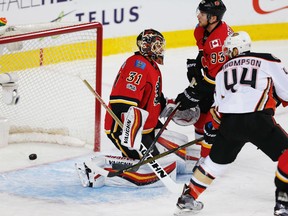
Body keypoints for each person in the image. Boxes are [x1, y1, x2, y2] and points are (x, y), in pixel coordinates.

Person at [174, 31, 288, 216]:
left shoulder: (221, 71)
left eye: (228, 50)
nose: (226, 54)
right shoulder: (268, 59)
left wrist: (214, 128)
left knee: (213, 164)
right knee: (286, 155)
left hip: (230, 123)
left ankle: (189, 197)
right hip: (258, 120)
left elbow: (218, 106)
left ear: (236, 50)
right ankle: (283, 202)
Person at [174, 0, 233, 160]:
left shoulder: (219, 43)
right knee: (200, 115)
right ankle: (201, 149)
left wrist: (191, 93)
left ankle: (209, 158)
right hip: (214, 75)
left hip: (227, 85)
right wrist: (198, 62)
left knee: (210, 121)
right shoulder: (202, 29)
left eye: (202, 13)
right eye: (198, 11)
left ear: (213, 18)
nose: (198, 16)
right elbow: (203, 51)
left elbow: (213, 80)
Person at [103, 28, 167, 159]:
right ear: (146, 46)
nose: (160, 49)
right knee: (150, 161)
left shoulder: (151, 66)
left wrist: (166, 105)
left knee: (165, 152)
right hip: (125, 127)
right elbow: (123, 100)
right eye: (157, 45)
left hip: (145, 125)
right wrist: (129, 133)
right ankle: (130, 165)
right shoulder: (137, 64)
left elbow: (152, 95)